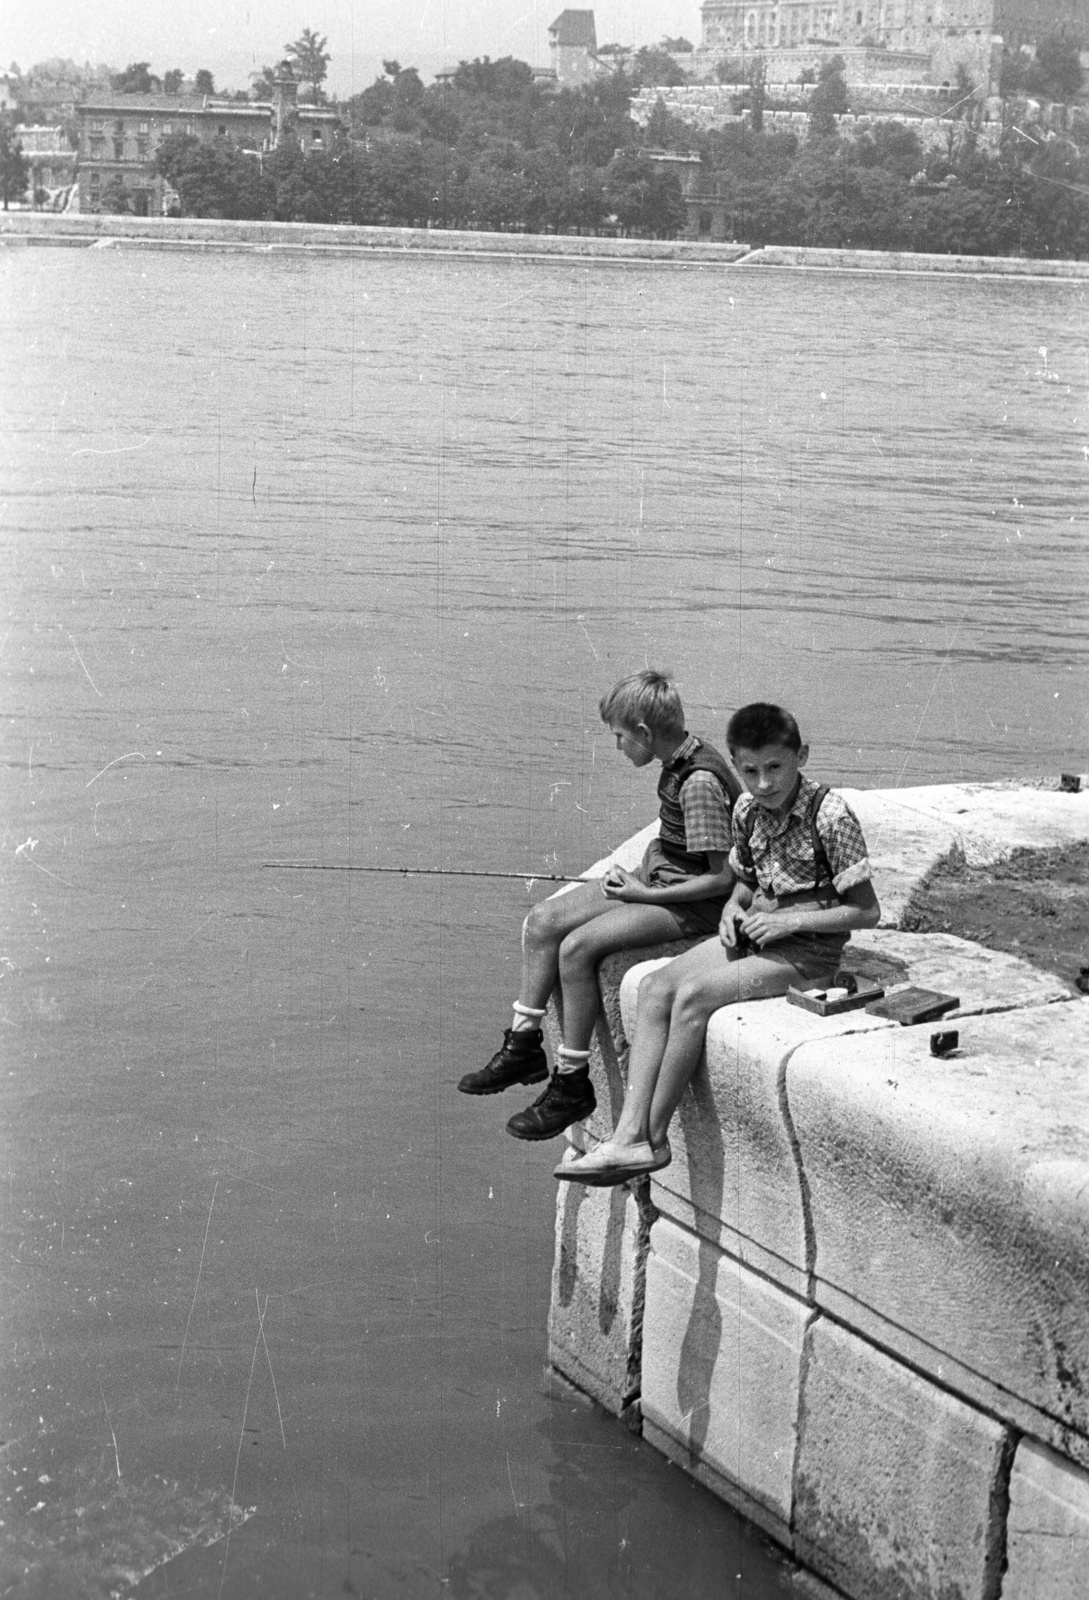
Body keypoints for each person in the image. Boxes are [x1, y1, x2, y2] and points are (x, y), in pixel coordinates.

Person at [554, 701, 881, 1186]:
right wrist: (732, 911)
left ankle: (653, 1139)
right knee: (655, 988)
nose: (763, 783)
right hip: (756, 935)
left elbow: (866, 910)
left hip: (807, 952)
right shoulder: (747, 810)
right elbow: (744, 885)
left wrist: (788, 923)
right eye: (749, 771)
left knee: (691, 999)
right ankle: (627, 1136)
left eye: (775, 768)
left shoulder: (830, 816)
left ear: (801, 756)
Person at [458, 670, 742, 1143]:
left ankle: (571, 1082)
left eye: (619, 737)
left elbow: (720, 877)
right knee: (543, 921)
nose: (616, 747)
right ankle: (525, 1044)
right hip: (659, 878)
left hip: (696, 906)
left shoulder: (697, 783)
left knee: (578, 948)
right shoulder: (676, 762)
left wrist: (641, 894)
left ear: (645, 734)